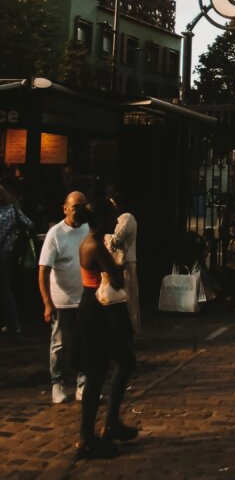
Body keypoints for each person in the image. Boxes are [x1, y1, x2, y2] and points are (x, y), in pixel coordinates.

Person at [75, 201, 137, 459]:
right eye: (112, 216)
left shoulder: (92, 242)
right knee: (96, 374)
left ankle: (111, 422)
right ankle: (86, 438)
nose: (116, 221)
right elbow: (117, 277)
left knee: (125, 361)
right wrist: (120, 266)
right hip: (97, 310)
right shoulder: (95, 246)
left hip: (102, 309)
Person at [38, 192, 90, 404]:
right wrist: (47, 303)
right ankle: (57, 383)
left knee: (85, 343)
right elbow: (43, 271)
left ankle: (83, 384)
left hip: (85, 298)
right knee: (59, 344)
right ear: (65, 208)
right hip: (62, 300)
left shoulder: (88, 230)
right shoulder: (55, 233)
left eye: (83, 206)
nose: (79, 211)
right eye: (75, 206)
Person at [0, 184, 32, 334]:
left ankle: (9, 323)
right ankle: (14, 323)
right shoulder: (13, 210)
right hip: (8, 255)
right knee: (6, 288)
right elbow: (29, 224)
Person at [107, 191, 140, 335]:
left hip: (126, 264)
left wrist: (104, 235)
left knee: (128, 299)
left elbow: (115, 240)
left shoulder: (126, 218)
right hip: (118, 264)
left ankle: (130, 331)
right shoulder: (118, 218)